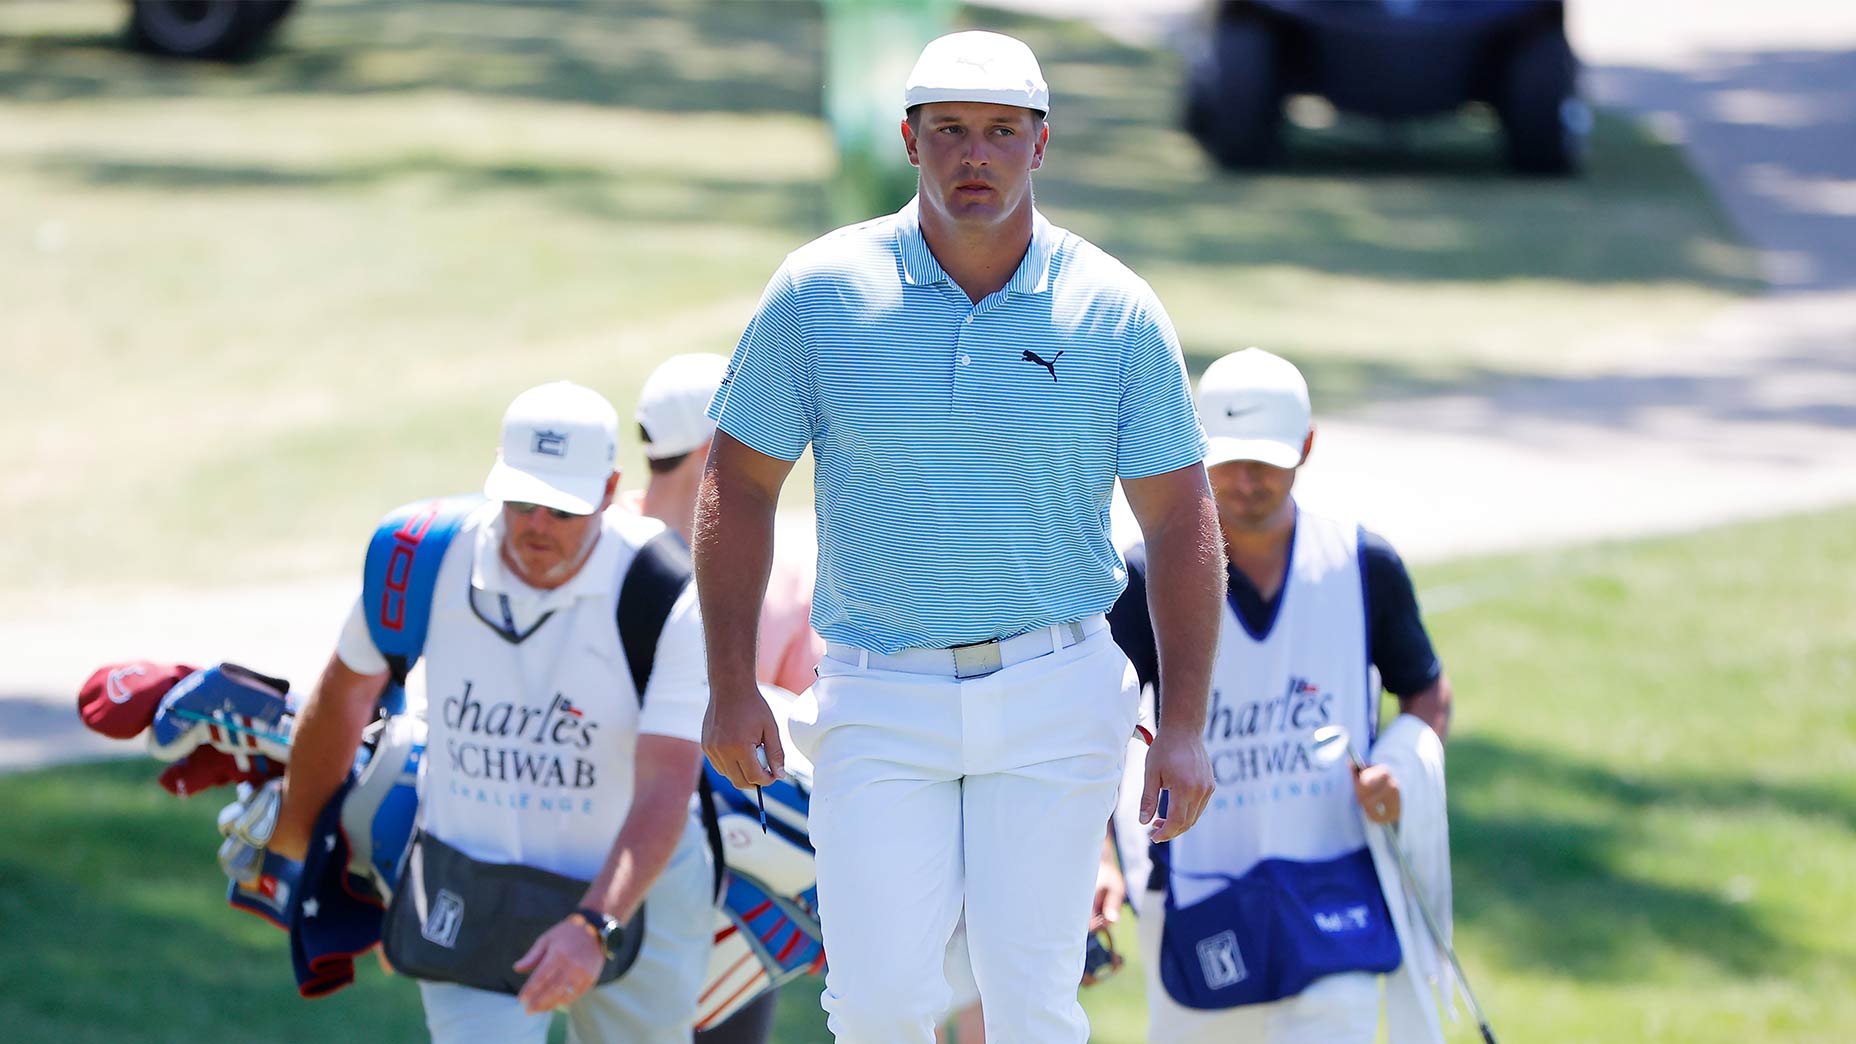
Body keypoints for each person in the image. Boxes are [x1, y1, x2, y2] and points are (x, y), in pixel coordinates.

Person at [695, 29, 1225, 1044]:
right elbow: (738, 483)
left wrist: (1187, 721)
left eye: (998, 132)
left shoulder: (1114, 310)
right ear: (907, 140)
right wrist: (729, 682)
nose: (971, 156)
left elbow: (1177, 520)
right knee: (880, 1004)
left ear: (1040, 145)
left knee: (1029, 1010)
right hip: (878, 689)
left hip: (1054, 685)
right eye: (947, 132)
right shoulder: (817, 293)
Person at [270, 381, 715, 1043]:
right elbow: (345, 697)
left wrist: (594, 924)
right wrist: (294, 843)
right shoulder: (417, 557)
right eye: (522, 500)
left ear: (608, 488)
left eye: (561, 509)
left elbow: (665, 780)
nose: (537, 525)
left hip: (633, 885)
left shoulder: (667, 589)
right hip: (464, 881)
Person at [624, 353, 986, 1044]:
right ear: (713, 449)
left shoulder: (599, 541)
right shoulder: (781, 579)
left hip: (612, 863)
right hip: (733, 888)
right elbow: (829, 746)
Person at [1104, 348, 1457, 1043]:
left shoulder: (1364, 565)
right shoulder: (1145, 578)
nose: (1246, 480)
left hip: (1335, 881)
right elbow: (1094, 723)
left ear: (1308, 446)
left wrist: (1401, 766)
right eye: (1229, 458)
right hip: (1195, 889)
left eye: (1266, 458)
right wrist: (1103, 858)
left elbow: (1426, 692)